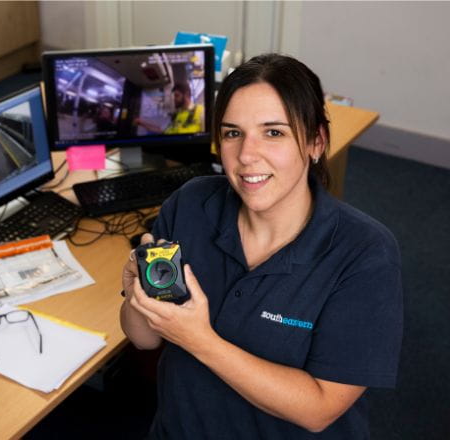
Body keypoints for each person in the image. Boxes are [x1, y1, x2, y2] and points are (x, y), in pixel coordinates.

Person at [120, 53, 403, 439]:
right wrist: (137, 293)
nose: (247, 156)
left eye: (274, 132)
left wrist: (201, 341)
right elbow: (143, 336)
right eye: (233, 133)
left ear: (316, 142)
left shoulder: (365, 254)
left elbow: (320, 408)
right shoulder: (190, 204)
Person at [134, 82, 204, 134]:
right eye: (174, 96)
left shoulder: (201, 112)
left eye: (177, 96)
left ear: (186, 94)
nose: (174, 99)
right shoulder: (176, 115)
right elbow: (160, 130)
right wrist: (141, 123)